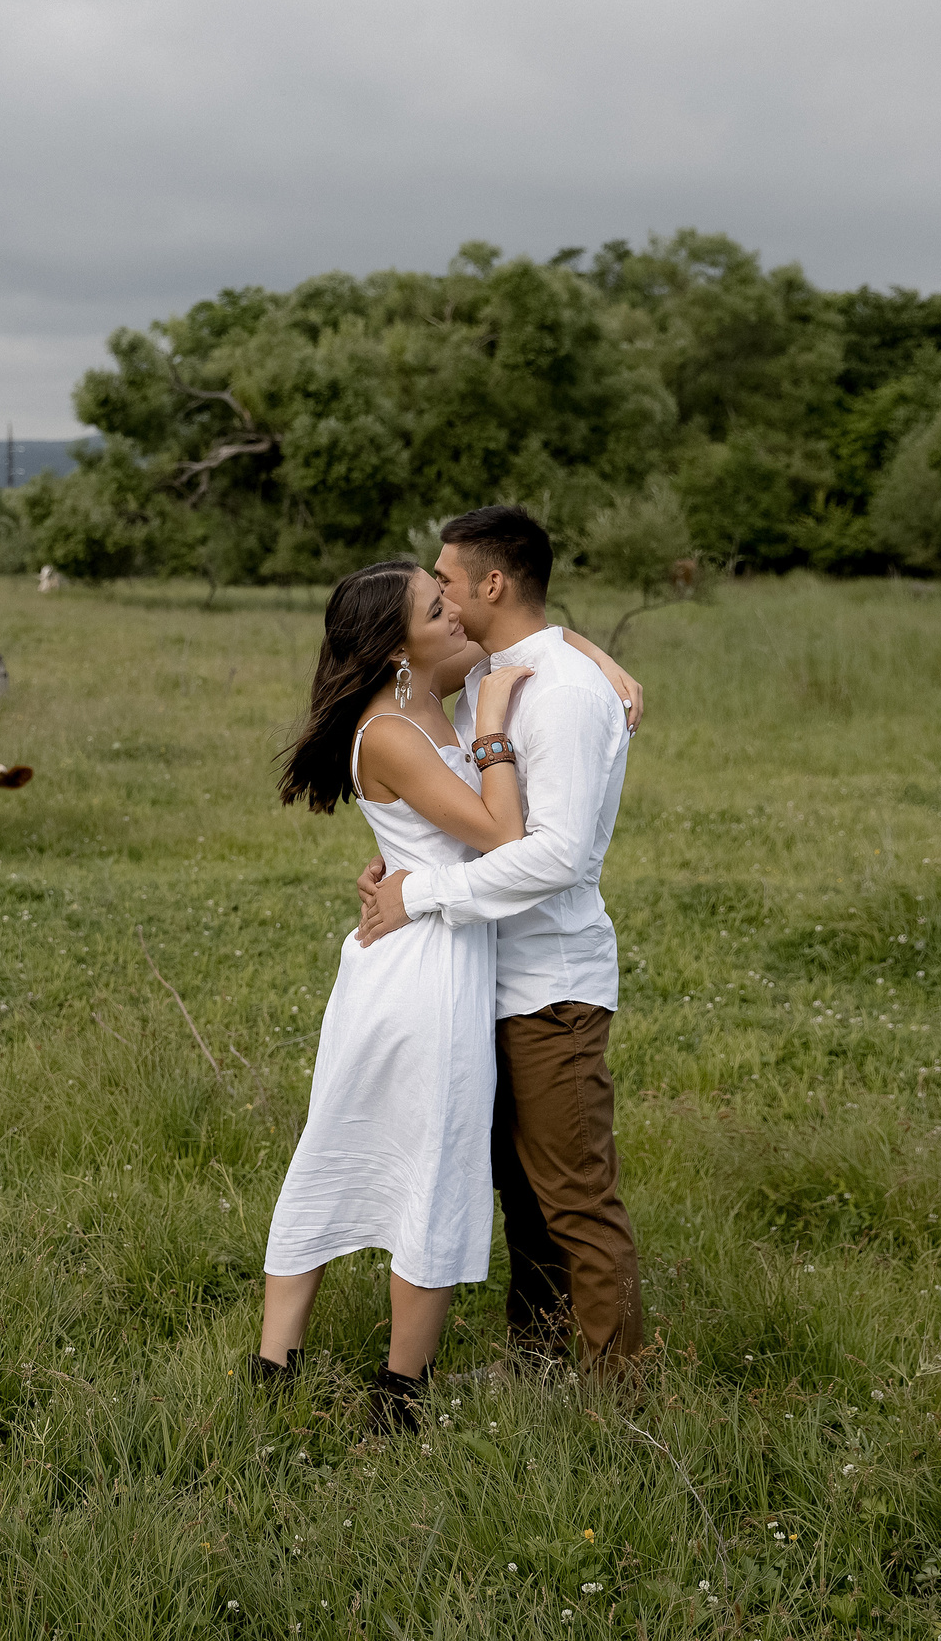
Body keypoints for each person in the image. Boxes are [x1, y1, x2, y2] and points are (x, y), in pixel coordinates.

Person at [260, 556, 640, 1431]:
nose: (459, 615)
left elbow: (532, 630)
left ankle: (316, 1369)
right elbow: (505, 831)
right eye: (438, 609)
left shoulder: (436, 687)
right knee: (402, 1157)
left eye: (452, 596)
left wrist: (607, 662)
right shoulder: (398, 725)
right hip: (424, 967)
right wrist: (498, 725)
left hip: (439, 948)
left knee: (376, 1145)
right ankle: (374, 1385)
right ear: (400, 646)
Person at [355, 504, 647, 1380]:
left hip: (552, 982)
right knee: (523, 1193)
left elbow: (554, 854)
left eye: (445, 579)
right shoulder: (507, 666)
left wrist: (422, 894)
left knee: (574, 1195)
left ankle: (617, 1391)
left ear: (492, 583)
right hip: (489, 976)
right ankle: (540, 1355)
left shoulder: (556, 691)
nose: (437, 593)